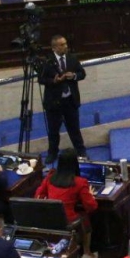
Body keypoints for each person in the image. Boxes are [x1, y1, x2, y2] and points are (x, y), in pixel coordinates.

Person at [34, 148, 99, 258]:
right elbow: (91, 206)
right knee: (85, 219)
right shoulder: (80, 182)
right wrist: (91, 195)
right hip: (69, 222)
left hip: (49, 219)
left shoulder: (50, 177)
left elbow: (38, 196)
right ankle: (87, 253)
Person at [39, 35, 88, 163]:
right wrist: (53, 81)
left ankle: (81, 151)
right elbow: (41, 79)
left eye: (65, 43)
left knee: (74, 129)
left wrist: (74, 76)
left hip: (70, 101)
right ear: (54, 47)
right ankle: (52, 153)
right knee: (54, 131)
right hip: (54, 103)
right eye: (61, 45)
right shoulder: (47, 61)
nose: (65, 46)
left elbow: (82, 73)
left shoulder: (72, 58)